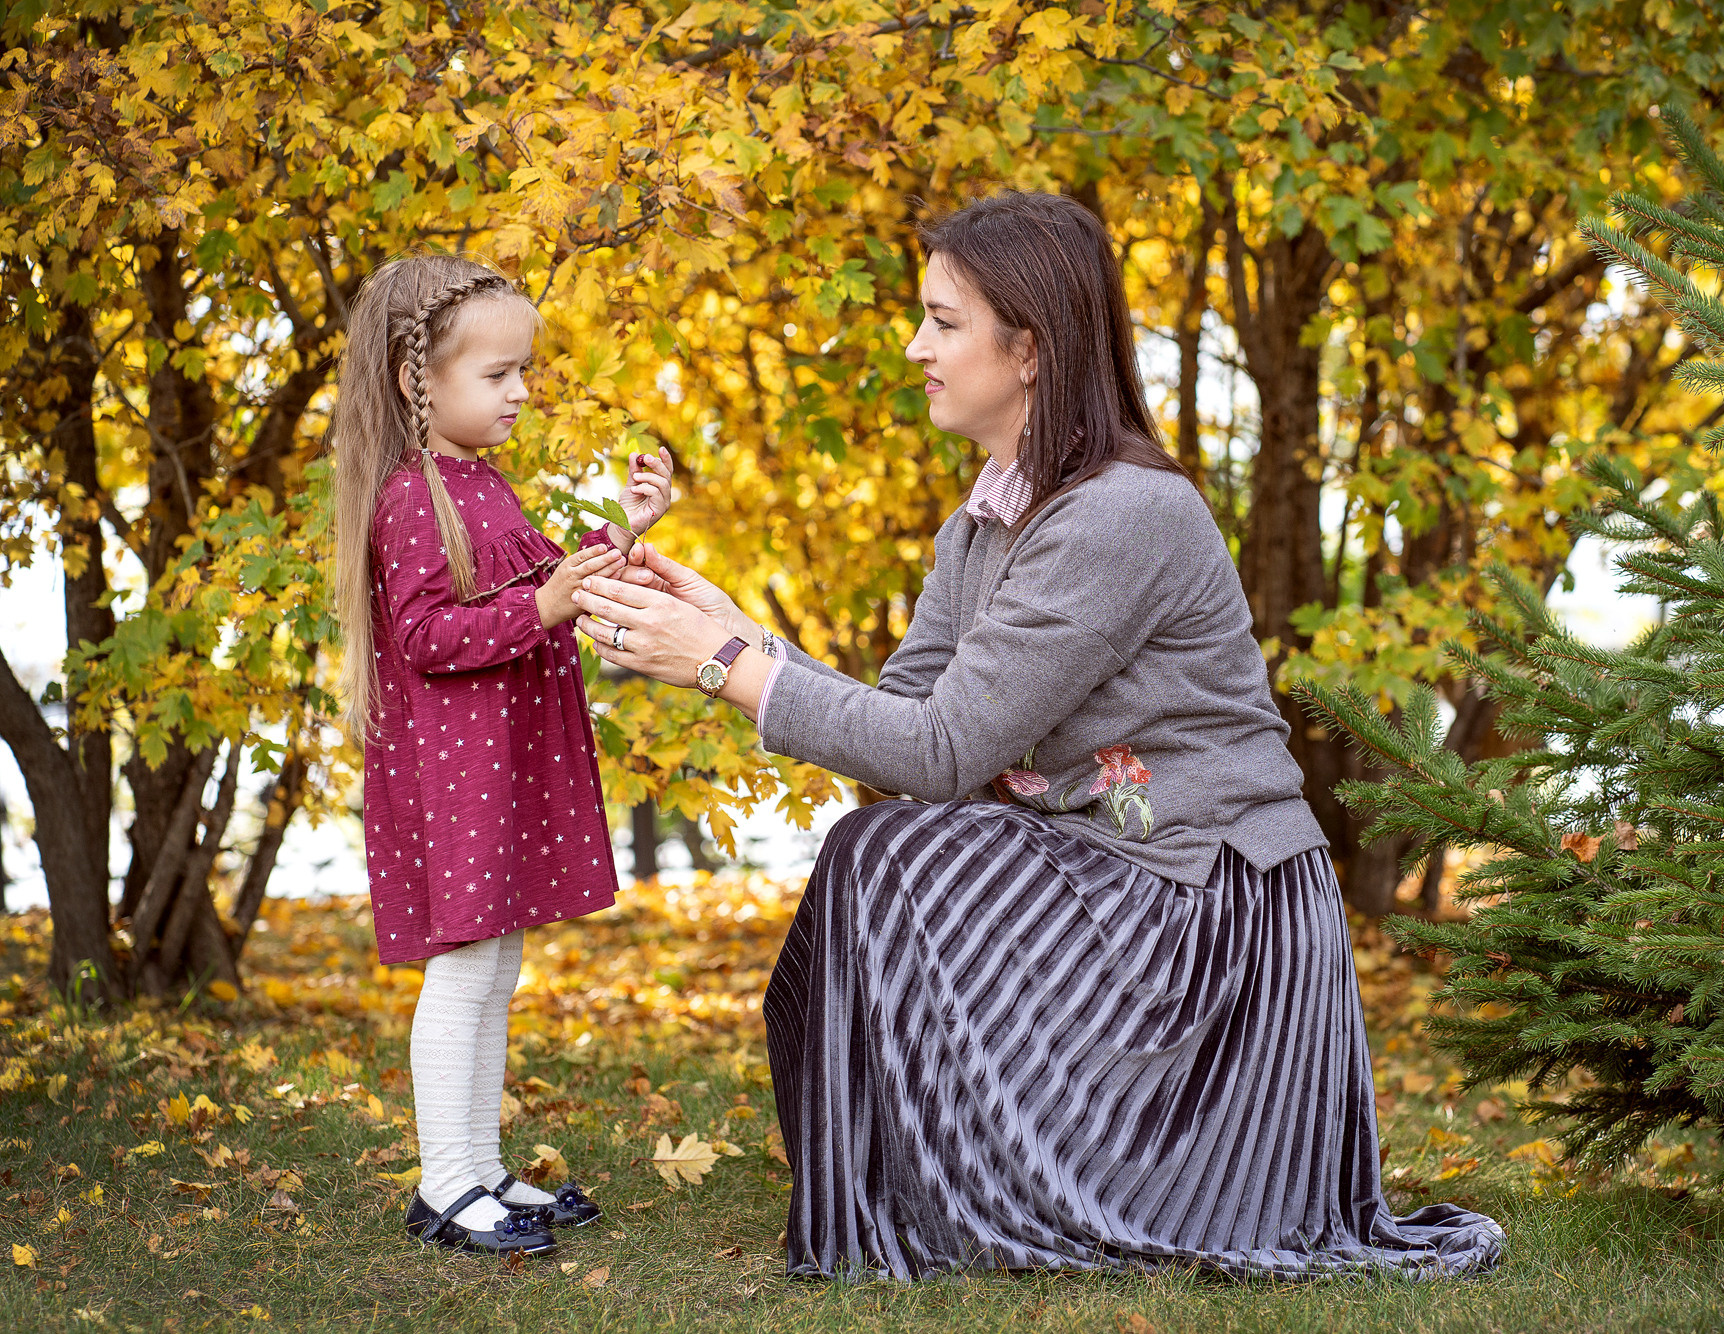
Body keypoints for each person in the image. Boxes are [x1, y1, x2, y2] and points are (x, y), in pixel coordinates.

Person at [574, 192, 1505, 1281]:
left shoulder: (1119, 514)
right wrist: (737, 630)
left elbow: (940, 755)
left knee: (882, 855)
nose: (914, 347)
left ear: (1027, 347)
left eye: (941, 320)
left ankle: (995, 1190)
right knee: (880, 850)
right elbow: (911, 723)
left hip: (1208, 906)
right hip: (1106, 875)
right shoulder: (980, 523)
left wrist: (723, 663)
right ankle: (912, 1189)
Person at [330, 253, 672, 1256]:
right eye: (498, 374)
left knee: (497, 961)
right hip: (455, 773)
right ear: (416, 382)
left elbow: (539, 584)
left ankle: (478, 1169)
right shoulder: (408, 496)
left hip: (499, 765)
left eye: (524, 370)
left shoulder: (480, 481)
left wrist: (628, 531)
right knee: (466, 966)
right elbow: (430, 637)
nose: (521, 390)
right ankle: (442, 1186)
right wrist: (549, 602)